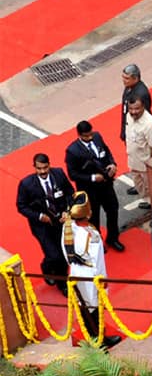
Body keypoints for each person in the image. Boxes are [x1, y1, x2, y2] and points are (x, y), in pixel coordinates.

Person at [61, 191, 122, 349]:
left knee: (88, 310)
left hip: (78, 274)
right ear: (88, 214)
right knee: (93, 311)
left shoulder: (68, 227)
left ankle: (98, 338)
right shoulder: (89, 236)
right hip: (90, 277)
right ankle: (99, 342)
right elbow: (96, 262)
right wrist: (102, 280)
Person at [16, 153, 74, 295]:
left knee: (63, 253)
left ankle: (50, 268)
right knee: (56, 256)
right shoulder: (26, 184)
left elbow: (70, 193)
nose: (42, 171)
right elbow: (21, 206)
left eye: (45, 167)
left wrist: (67, 211)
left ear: (49, 164)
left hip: (60, 221)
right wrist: (40, 216)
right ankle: (62, 283)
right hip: (42, 226)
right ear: (34, 167)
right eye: (39, 168)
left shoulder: (59, 174)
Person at [64, 120, 124, 252]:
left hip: (106, 184)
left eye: (90, 134)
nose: (90, 137)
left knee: (113, 209)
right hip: (89, 190)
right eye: (86, 136)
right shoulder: (72, 151)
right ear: (79, 135)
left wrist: (112, 164)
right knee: (94, 217)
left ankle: (113, 238)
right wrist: (92, 178)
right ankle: (97, 241)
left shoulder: (97, 137)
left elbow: (107, 152)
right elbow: (72, 174)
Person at [125, 97, 152, 209]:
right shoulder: (128, 116)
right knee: (139, 185)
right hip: (133, 160)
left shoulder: (150, 124)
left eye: (137, 109)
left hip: (145, 164)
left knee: (151, 188)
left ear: (143, 107)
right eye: (131, 109)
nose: (133, 112)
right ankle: (148, 200)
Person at [120, 64, 152, 143]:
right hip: (128, 125)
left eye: (127, 78)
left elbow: (144, 115)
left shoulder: (141, 94)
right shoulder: (129, 86)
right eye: (123, 77)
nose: (124, 80)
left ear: (136, 78)